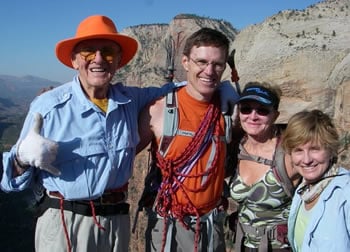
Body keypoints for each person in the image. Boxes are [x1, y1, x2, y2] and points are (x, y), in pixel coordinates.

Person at [0, 15, 237, 252]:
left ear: (119, 61)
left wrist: (225, 87)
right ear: (74, 60)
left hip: (116, 222)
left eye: (108, 52)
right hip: (66, 221)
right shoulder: (48, 107)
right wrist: (21, 158)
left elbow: (187, 88)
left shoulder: (132, 100)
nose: (99, 59)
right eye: (88, 52)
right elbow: (10, 182)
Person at [137, 27, 240, 252]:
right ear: (185, 62)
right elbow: (122, 155)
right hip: (167, 226)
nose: (209, 71)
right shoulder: (159, 110)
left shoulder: (230, 111)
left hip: (211, 226)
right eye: (201, 62)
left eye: (218, 64)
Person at [229, 82, 301, 251]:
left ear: (275, 115)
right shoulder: (235, 148)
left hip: (280, 247)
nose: (253, 116)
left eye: (262, 110)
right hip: (242, 243)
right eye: (246, 109)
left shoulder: (289, 153)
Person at [282, 109, 350, 251]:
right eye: (298, 150)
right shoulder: (303, 192)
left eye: (314, 149)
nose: (306, 160)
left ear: (331, 150)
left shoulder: (345, 192)